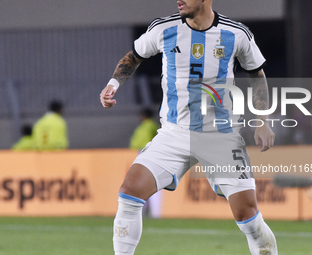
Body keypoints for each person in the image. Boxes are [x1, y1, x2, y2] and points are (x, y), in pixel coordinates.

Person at [100, 1, 277, 254]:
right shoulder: (164, 29)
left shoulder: (236, 34)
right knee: (129, 193)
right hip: (174, 133)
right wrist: (113, 84)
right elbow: (133, 56)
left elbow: (257, 74)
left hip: (220, 137)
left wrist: (263, 122)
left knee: (247, 216)